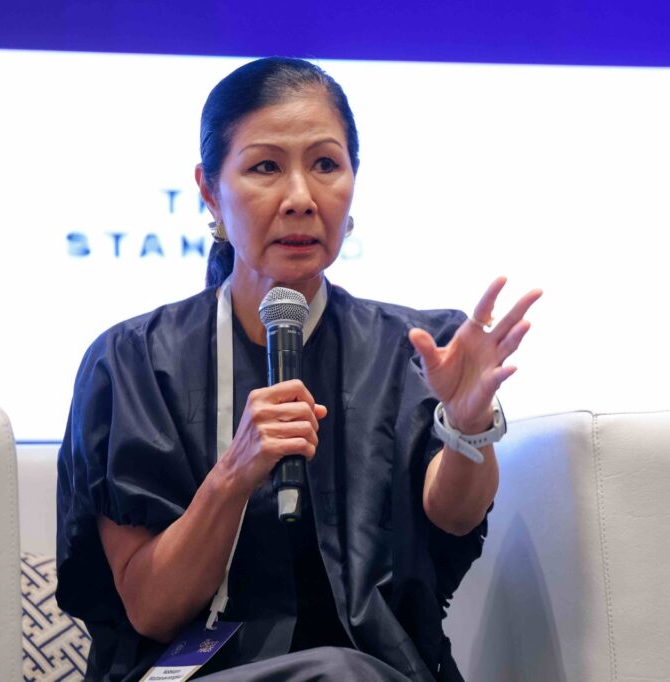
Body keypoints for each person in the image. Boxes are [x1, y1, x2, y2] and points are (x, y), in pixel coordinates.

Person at [56, 57, 541, 682]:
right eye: (265, 167)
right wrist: (233, 474)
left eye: (325, 165)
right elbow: (152, 609)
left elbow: (453, 515)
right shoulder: (130, 362)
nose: (301, 199)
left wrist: (468, 427)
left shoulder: (419, 348)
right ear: (209, 189)